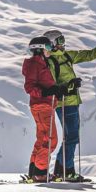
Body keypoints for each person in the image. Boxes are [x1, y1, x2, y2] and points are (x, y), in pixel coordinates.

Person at [42, 29, 96, 182]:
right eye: (60, 41)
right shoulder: (50, 62)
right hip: (63, 103)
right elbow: (53, 86)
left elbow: (87, 55)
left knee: (71, 137)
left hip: (73, 102)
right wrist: (70, 85)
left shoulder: (67, 56)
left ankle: (61, 170)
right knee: (71, 137)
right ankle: (66, 171)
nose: (64, 44)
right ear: (53, 44)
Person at [21, 36, 65, 182]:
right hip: (42, 106)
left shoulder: (41, 63)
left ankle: (34, 172)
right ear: (39, 49)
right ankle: (40, 173)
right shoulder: (35, 64)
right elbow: (30, 87)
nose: (50, 50)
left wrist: (57, 90)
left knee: (42, 139)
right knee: (50, 139)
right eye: (48, 47)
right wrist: (48, 92)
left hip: (45, 105)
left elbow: (45, 85)